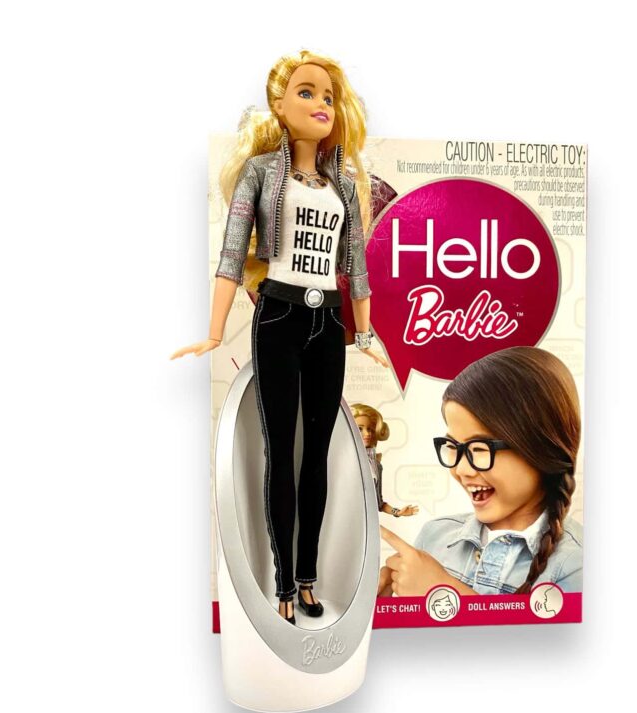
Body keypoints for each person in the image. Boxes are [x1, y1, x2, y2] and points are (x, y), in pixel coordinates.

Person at [173, 50, 385, 623]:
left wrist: (365, 336)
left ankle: (309, 580)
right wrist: (213, 333)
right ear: (279, 104)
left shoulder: (343, 183)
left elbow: (357, 266)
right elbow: (230, 255)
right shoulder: (261, 172)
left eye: (329, 96)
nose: (321, 104)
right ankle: (284, 586)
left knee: (316, 456)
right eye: (306, 92)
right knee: (278, 450)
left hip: (329, 322)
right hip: (278, 317)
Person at [378, 347, 582, 597]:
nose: (461, 469)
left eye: (479, 448)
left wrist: (442, 593)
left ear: (539, 448)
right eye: (453, 446)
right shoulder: (435, 536)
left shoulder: (578, 563)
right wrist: (386, 608)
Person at [350, 403, 419, 518]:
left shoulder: (375, 464)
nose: (367, 434)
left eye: (370, 429)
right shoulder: (346, 462)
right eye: (360, 429)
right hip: (351, 519)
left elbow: (379, 503)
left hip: (368, 519)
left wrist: (398, 512)